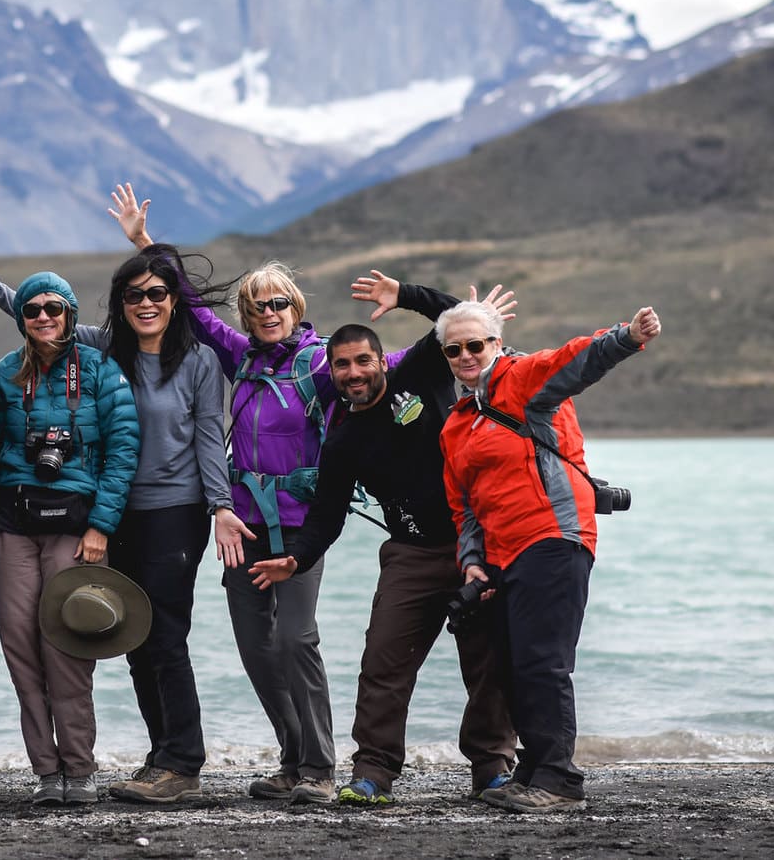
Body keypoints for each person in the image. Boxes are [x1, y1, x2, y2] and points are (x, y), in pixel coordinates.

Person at [107, 182, 410, 805]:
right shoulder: (239, 355)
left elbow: (397, 363)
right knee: (257, 651)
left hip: (303, 526)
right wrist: (145, 244)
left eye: (277, 303)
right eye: (257, 307)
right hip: (243, 527)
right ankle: (292, 758)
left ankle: (321, 768)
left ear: (296, 307)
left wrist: (469, 335)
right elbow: (189, 307)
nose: (267, 313)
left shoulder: (326, 364)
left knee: (297, 640)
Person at [248, 275, 519, 808]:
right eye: (342, 365)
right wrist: (296, 557)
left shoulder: (420, 371)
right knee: (383, 662)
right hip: (410, 554)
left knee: (487, 661)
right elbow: (326, 515)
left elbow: (458, 319)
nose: (353, 373)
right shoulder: (344, 438)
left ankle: (491, 767)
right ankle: (373, 773)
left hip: (475, 546)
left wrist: (407, 296)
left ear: (381, 362)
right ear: (332, 371)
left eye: (363, 362)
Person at [438, 296, 662, 814]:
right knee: (516, 665)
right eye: (454, 350)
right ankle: (535, 771)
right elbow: (463, 506)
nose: (466, 356)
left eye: (476, 344)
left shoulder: (520, 378)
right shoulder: (456, 424)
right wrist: (472, 560)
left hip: (554, 535)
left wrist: (625, 336)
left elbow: (572, 361)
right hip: (502, 554)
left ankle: (559, 781)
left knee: (543, 662)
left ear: (496, 343)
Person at [82, 248, 230, 805]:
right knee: (134, 638)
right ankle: (161, 753)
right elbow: (45, 315)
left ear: (174, 301)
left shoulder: (198, 361)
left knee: (166, 636)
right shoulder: (104, 348)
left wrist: (220, 505)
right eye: (134, 295)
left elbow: (210, 438)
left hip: (176, 513)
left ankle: (184, 762)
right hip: (117, 511)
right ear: (121, 304)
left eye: (157, 294)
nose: (146, 304)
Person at [0, 272, 141, 806]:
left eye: (55, 307)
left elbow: (124, 453)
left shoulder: (101, 371)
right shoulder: (6, 372)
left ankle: (80, 769)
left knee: (68, 642)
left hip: (75, 527)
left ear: (71, 314)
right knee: (19, 646)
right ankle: (45, 772)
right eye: (32, 310)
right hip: (13, 524)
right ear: (22, 318)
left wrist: (101, 526)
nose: (44, 317)